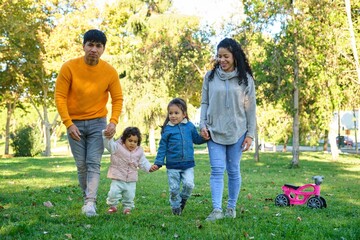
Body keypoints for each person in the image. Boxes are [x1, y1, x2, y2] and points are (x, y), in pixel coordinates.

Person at [55, 29, 123, 217]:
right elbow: (60, 97)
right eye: (90, 45)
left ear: (103, 49)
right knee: (82, 165)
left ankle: (90, 202)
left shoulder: (109, 71)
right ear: (83, 46)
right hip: (74, 123)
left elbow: (117, 99)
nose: (94, 49)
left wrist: (113, 122)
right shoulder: (69, 67)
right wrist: (68, 124)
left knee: (93, 163)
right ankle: (88, 198)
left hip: (97, 124)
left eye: (98, 46)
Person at [199, 38, 256, 221]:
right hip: (214, 131)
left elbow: (251, 109)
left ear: (235, 56)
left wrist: (250, 134)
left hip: (237, 131)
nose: (222, 60)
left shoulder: (245, 79)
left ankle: (231, 208)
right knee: (216, 170)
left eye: (226, 56)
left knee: (233, 170)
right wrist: (202, 124)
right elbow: (205, 102)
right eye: (219, 56)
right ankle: (217, 210)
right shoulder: (210, 76)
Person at [152, 98, 207, 215]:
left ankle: (183, 199)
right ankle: (175, 206)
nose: (173, 116)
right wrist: (158, 162)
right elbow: (162, 148)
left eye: (176, 113)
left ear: (184, 114)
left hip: (188, 164)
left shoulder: (190, 126)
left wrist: (205, 138)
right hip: (172, 166)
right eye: (170, 113)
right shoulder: (167, 129)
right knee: (174, 189)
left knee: (189, 185)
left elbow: (196, 139)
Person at [103, 127, 155, 215]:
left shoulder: (139, 152)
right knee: (113, 193)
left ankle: (127, 208)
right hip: (117, 177)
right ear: (124, 140)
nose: (132, 143)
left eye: (135, 142)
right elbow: (108, 144)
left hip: (131, 179)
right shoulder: (117, 147)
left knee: (130, 195)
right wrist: (106, 135)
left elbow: (143, 162)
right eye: (130, 140)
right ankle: (112, 206)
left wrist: (149, 167)